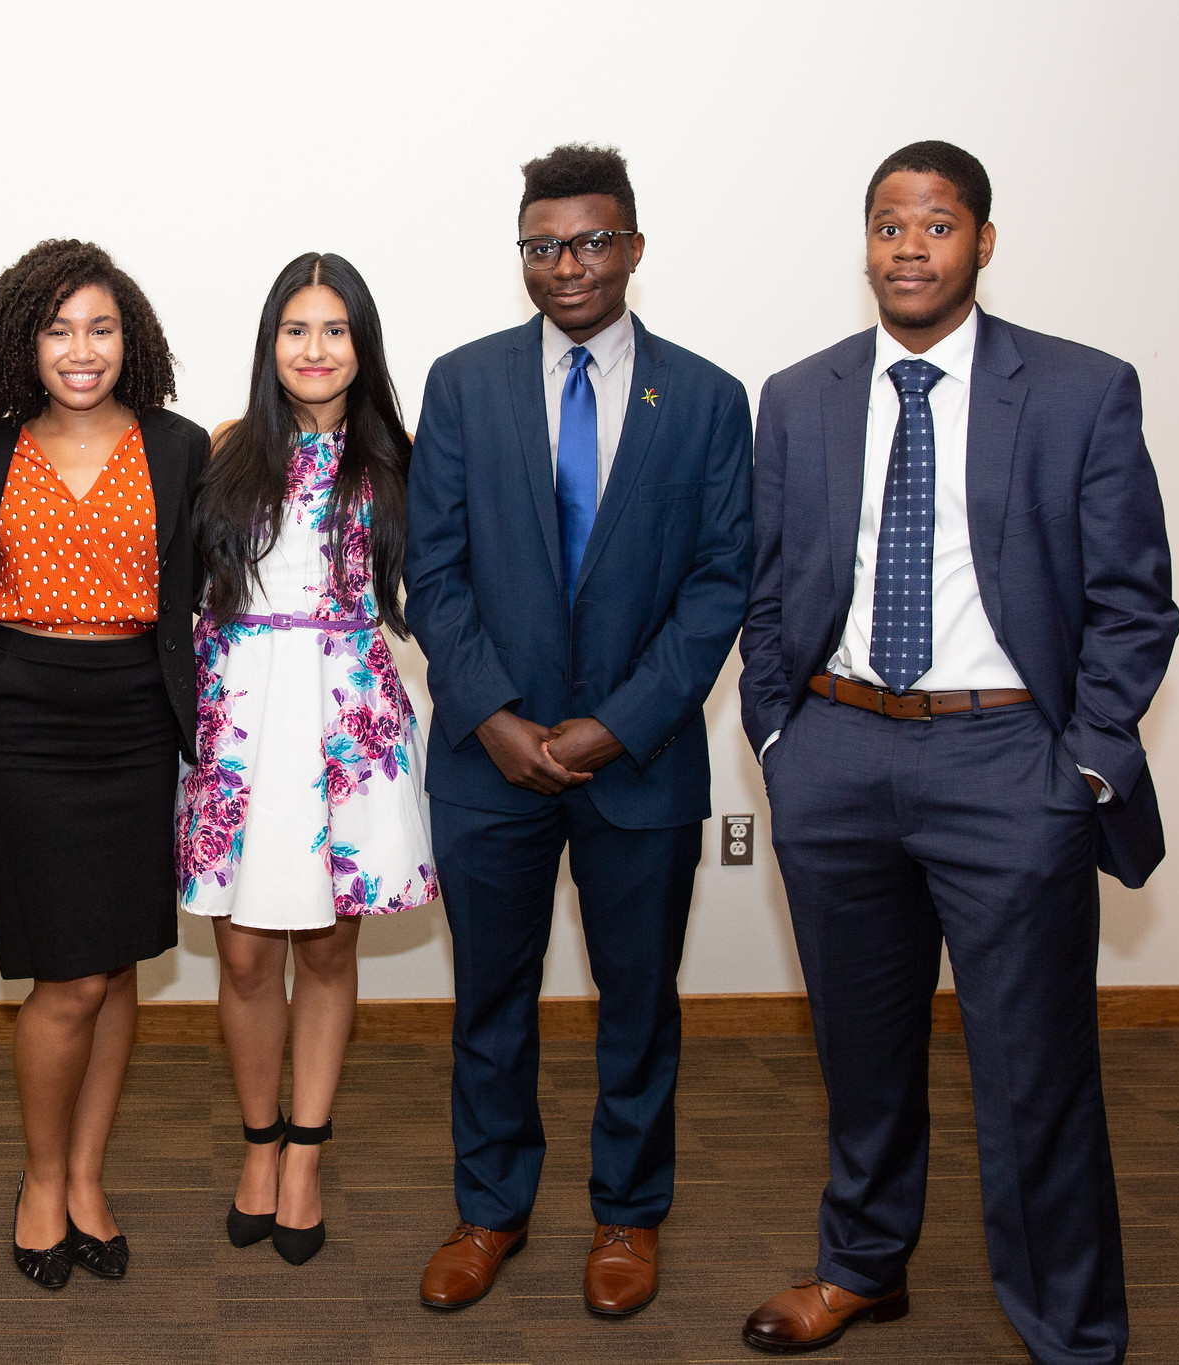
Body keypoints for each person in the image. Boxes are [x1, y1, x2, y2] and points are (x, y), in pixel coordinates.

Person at [736, 141, 1177, 1362]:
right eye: (888, 224)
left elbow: (1135, 601)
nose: (909, 246)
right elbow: (767, 591)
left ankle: (1070, 1330)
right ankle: (862, 1268)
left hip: (1006, 772)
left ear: (982, 243)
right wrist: (781, 737)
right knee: (859, 1052)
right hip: (834, 754)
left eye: (936, 225)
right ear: (864, 244)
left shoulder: (1081, 389)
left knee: (1034, 1077)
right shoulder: (801, 393)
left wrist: (1080, 768)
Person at [404, 144, 753, 1316]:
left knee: (638, 1004)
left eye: (592, 241)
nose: (568, 266)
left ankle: (627, 1217)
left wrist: (615, 725)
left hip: (640, 763)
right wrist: (494, 716)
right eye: (543, 245)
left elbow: (719, 584)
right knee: (487, 1004)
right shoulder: (462, 383)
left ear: (635, 248)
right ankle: (488, 1209)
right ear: (522, 255)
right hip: (486, 764)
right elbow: (430, 571)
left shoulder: (704, 398)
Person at [0, 239, 208, 1289]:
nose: (80, 348)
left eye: (100, 326)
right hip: (18, 721)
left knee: (116, 967)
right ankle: (39, 1179)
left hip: (137, 721)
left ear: (131, 337)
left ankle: (88, 1178)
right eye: (57, 328)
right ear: (23, 339)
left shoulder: (181, 446)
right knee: (66, 974)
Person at [182, 252, 435, 1266]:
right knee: (243, 951)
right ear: (269, 343)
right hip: (241, 716)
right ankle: (257, 1142)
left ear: (360, 345)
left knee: (329, 947)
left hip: (351, 716)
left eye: (335, 330)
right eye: (297, 329)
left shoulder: (401, 458)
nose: (315, 349)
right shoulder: (222, 447)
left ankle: (307, 1154)